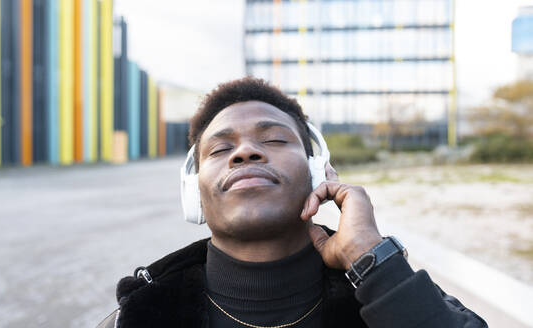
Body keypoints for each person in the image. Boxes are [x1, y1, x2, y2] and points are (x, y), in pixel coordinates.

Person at [98, 77, 487, 328]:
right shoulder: (133, 319)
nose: (246, 152)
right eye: (220, 148)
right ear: (193, 191)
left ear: (319, 173)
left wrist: (369, 256)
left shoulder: (401, 298)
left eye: (273, 140)